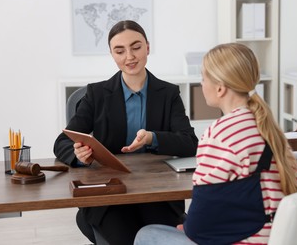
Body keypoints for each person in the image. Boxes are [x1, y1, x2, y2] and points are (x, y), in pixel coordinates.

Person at [133, 43, 297, 245]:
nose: (202, 84)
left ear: (220, 88)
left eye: (204, 78)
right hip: (276, 235)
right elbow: (292, 175)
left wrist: (189, 229)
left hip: (242, 239)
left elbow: (202, 211)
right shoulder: (270, 127)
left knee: (147, 234)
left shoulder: (220, 133)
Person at [53, 20, 198, 245]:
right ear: (112, 54)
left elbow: (190, 142)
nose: (129, 56)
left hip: (156, 195)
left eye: (136, 47)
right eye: (120, 51)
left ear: (147, 47)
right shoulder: (96, 94)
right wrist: (79, 156)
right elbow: (62, 141)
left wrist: (153, 138)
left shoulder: (168, 93)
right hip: (110, 197)